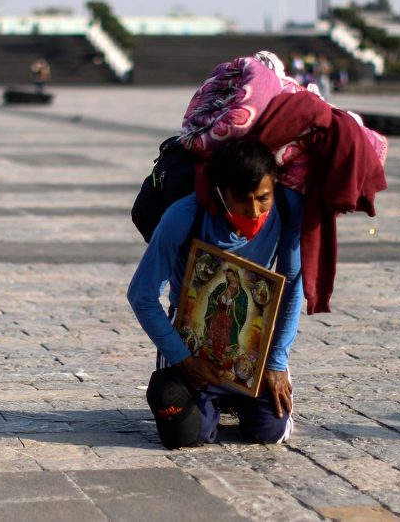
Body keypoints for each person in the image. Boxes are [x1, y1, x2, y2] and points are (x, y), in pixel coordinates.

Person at [128, 138, 303, 448]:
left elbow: (292, 285)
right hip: (192, 348)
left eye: (263, 198)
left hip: (250, 349)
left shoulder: (287, 210)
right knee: (187, 435)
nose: (253, 211)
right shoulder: (183, 216)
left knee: (269, 431)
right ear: (220, 192)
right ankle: (197, 396)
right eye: (242, 199)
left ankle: (238, 399)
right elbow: (141, 294)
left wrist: (276, 362)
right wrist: (182, 358)